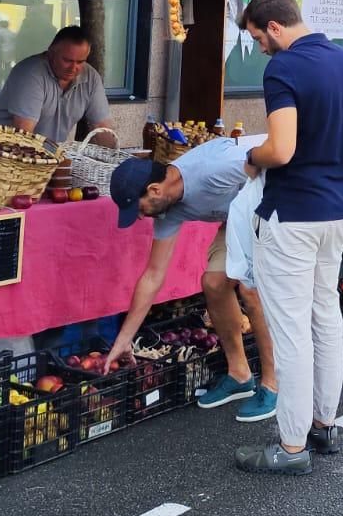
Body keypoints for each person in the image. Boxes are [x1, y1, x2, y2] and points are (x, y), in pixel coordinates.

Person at [235, 0, 343, 475]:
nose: (260, 48)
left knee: (291, 334)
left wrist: (252, 158)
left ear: (273, 27)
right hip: (338, 209)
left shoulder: (283, 69)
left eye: (256, 37)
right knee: (325, 318)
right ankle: (324, 426)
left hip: (291, 214)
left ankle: (291, 448)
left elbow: (282, 149)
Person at [105, 141, 279, 423]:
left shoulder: (214, 170)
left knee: (250, 290)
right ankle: (239, 375)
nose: (139, 217)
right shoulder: (167, 208)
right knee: (214, 284)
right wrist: (124, 340)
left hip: (269, 210)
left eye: (139, 208)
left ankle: (273, 384)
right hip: (237, 219)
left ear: (154, 190)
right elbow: (153, 275)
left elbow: (270, 162)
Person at [0, 25, 116, 147]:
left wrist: (114, 162)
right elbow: (23, 135)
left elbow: (103, 129)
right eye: (67, 60)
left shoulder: (91, 77)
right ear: (51, 53)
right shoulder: (31, 73)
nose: (73, 68)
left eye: (80, 62)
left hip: (44, 154)